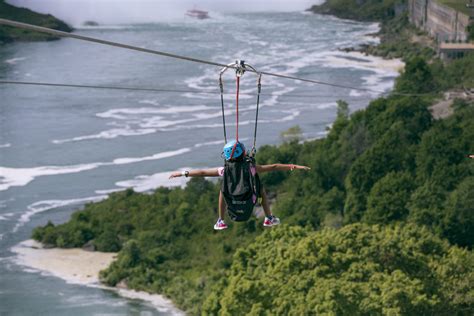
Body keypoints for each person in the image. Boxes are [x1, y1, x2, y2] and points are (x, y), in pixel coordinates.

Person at [169, 140, 310, 230]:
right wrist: (294, 166)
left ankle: (221, 220)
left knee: (223, 189)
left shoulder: (224, 170)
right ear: (243, 153)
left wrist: (183, 173)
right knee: (260, 188)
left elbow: (202, 172)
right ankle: (268, 218)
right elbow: (274, 166)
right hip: (251, 200)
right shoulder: (251, 168)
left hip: (232, 202)